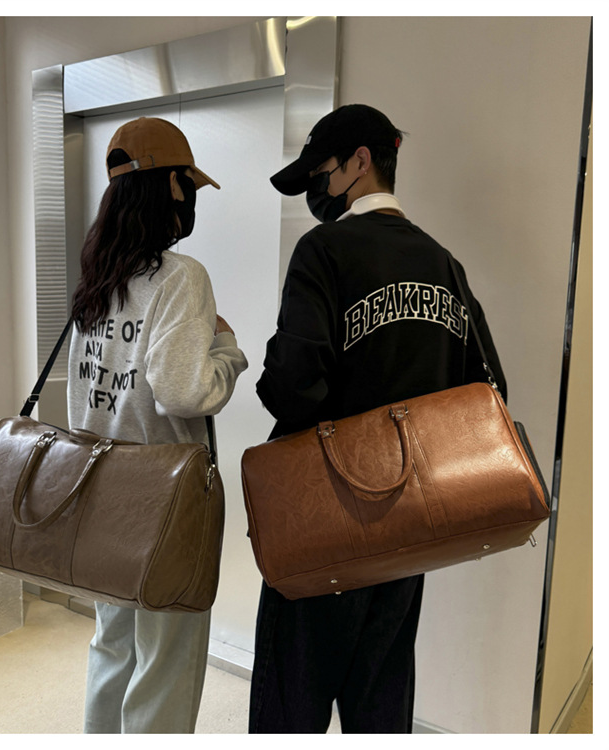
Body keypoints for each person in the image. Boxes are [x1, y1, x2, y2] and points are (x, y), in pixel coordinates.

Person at [248, 104, 506, 733]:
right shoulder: (445, 265)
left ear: (360, 161)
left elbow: (292, 389)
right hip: (408, 535)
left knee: (289, 714)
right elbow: (490, 394)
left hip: (323, 528)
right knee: (381, 712)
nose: (316, 189)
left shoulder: (323, 251)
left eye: (321, 172)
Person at [67, 116, 248, 734]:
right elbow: (185, 392)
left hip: (95, 490)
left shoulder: (98, 279)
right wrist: (228, 350)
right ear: (173, 186)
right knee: (166, 657)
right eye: (189, 185)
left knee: (112, 644)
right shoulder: (181, 277)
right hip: (162, 502)